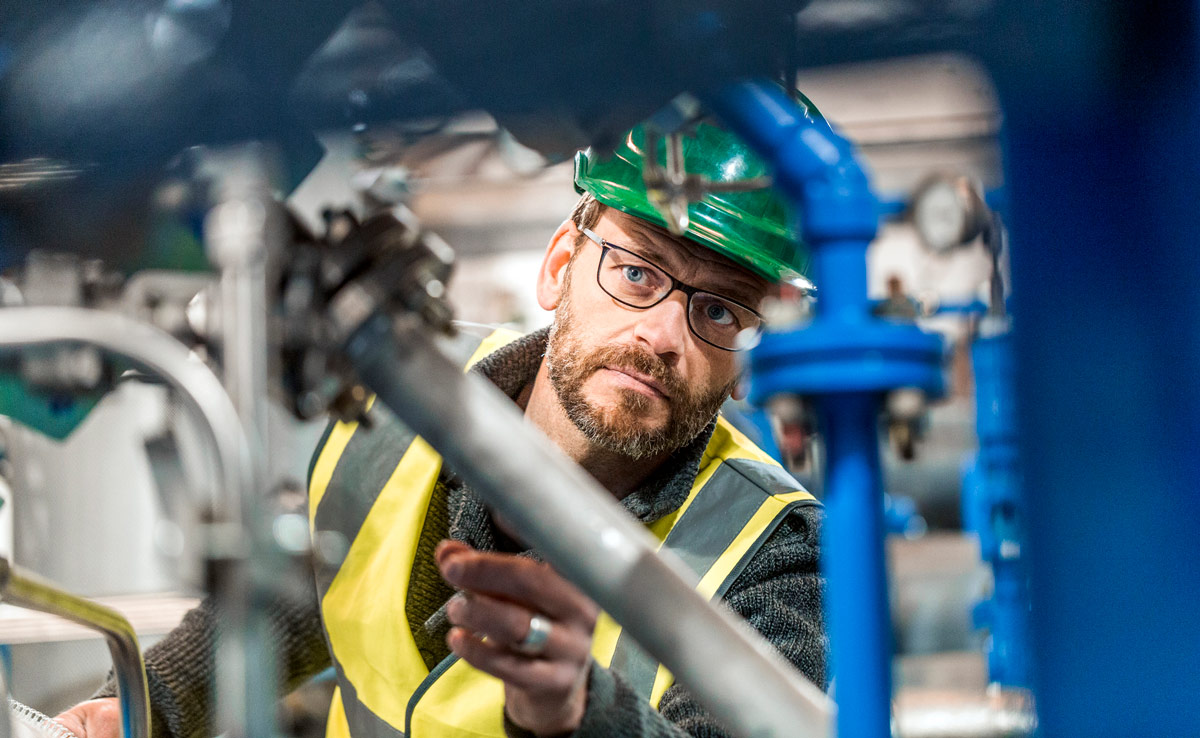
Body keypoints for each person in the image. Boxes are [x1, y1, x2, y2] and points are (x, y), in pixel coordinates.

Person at [56, 117, 827, 738]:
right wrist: (141, 708)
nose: (664, 335)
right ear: (561, 264)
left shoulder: (773, 553)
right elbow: (302, 600)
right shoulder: (402, 388)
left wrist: (583, 715)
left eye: (719, 309)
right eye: (638, 272)